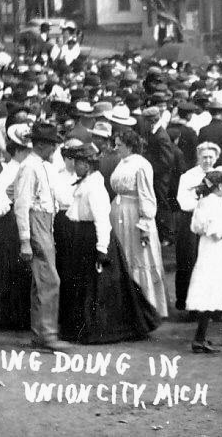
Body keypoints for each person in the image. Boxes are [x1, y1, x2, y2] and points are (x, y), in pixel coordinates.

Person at [59, 140, 160, 344]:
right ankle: (81, 327)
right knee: (85, 285)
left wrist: (102, 249)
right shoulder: (84, 183)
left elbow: (102, 221)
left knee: (99, 288)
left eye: (77, 163)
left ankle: (101, 329)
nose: (74, 167)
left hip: (95, 239)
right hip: (82, 237)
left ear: (87, 165)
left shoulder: (95, 186)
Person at [14, 122, 70, 351]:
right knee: (49, 280)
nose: (55, 149)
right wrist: (25, 240)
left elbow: (14, 191)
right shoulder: (30, 167)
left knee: (43, 281)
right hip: (36, 220)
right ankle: (46, 334)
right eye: (52, 145)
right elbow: (21, 203)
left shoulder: (43, 166)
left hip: (46, 220)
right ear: (40, 145)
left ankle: (41, 334)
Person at [0, 124, 34, 330]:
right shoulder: (11, 171)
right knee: (11, 267)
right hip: (11, 221)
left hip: (15, 220)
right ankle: (10, 314)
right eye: (27, 150)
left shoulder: (21, 169)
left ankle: (13, 313)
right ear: (18, 150)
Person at [109, 128, 168, 319]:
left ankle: (145, 308)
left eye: (119, 145)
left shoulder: (142, 165)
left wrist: (144, 223)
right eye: (116, 144)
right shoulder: (122, 162)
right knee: (122, 257)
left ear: (130, 145)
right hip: (118, 214)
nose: (116, 148)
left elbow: (147, 196)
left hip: (134, 216)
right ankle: (125, 307)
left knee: (137, 258)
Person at [186, 170, 222, 353]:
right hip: (214, 251)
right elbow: (217, 233)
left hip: (212, 249)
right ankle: (199, 339)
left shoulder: (206, 202)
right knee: (211, 290)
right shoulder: (213, 203)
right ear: (219, 186)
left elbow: (196, 227)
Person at [174, 141, 220, 312]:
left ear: (216, 158)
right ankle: (188, 302)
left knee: (212, 261)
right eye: (204, 157)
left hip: (213, 223)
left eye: (210, 157)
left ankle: (212, 304)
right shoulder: (188, 176)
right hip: (192, 222)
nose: (207, 161)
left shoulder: (221, 175)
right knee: (189, 259)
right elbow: (183, 202)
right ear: (198, 158)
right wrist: (202, 203)